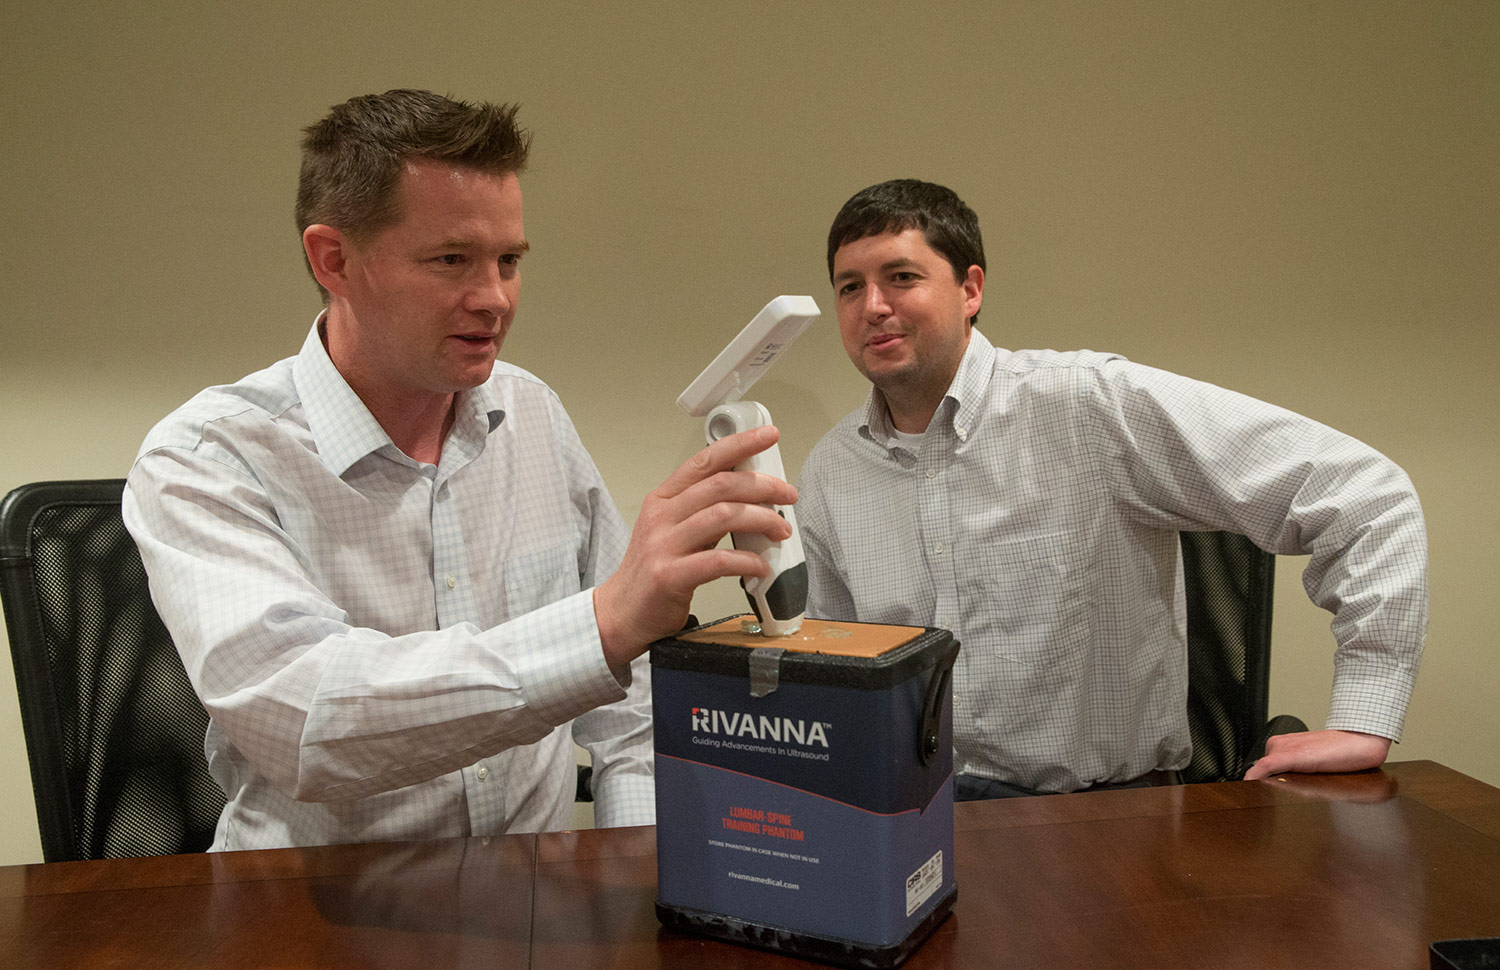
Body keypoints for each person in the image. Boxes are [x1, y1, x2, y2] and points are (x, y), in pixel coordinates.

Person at [122, 90, 797, 849]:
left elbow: (631, 706)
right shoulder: (208, 458)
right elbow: (311, 723)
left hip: (533, 914)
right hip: (315, 929)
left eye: (509, 260)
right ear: (334, 260)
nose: (495, 298)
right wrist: (602, 625)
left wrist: (635, 870)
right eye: (452, 261)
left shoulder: (531, 414)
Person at [796, 178, 1428, 797]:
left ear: (970, 289)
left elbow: (1365, 496)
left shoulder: (1089, 403)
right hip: (915, 817)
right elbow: (836, 677)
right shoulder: (832, 470)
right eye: (850, 287)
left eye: (901, 277)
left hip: (1103, 823)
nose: (872, 305)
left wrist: (1362, 717)